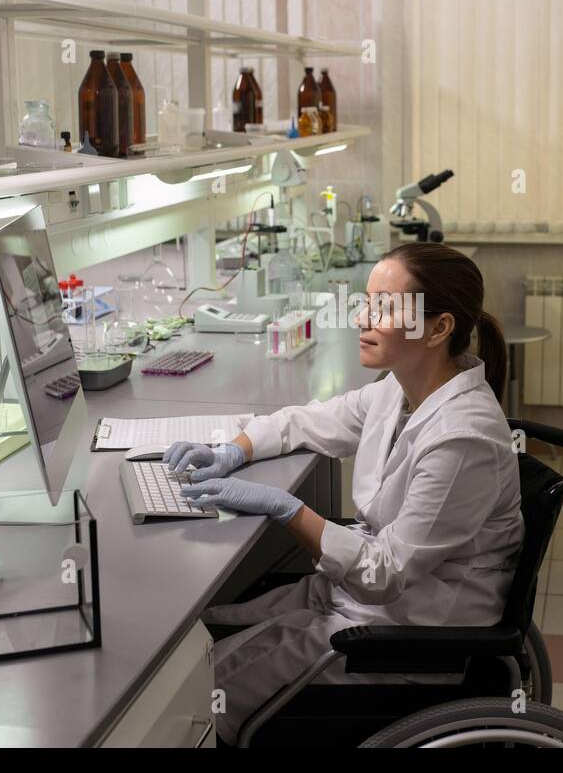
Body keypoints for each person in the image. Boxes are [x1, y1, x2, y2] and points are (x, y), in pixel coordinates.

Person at [165, 243, 523, 745]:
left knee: (199, 695)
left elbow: (386, 574)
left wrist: (287, 509)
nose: (363, 318)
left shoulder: (463, 437)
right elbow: (305, 422)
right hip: (360, 602)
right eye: (366, 302)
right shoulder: (398, 390)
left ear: (438, 328)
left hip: (410, 637)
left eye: (384, 308)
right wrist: (232, 450)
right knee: (207, 631)